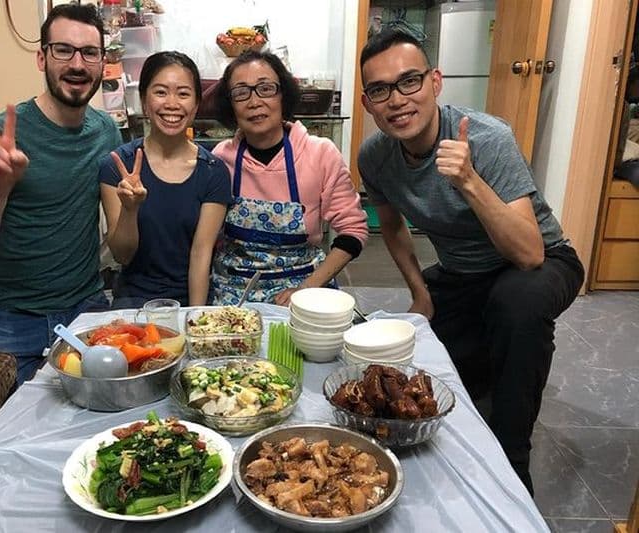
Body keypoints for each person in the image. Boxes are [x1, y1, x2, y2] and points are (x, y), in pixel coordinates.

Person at [357, 28, 584, 494]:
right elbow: (392, 227)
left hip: (540, 265)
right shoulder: (375, 157)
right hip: (461, 275)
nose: (397, 100)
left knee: (516, 306)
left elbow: (529, 252)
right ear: (367, 103)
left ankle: (514, 466)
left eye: (410, 82)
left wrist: (469, 180)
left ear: (435, 82)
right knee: (417, 364)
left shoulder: (486, 138)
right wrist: (420, 293)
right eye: (380, 90)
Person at [0, 4, 122, 386]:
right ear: (42, 57)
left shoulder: (106, 131)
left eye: (89, 53)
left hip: (85, 309)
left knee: (99, 428)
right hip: (7, 319)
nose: (77, 64)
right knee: (3, 439)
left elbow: (121, 241)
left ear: (101, 62)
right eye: (63, 50)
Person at [210, 51, 368, 306]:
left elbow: (353, 231)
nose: (254, 101)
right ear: (230, 105)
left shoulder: (320, 154)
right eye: (241, 92)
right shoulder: (221, 158)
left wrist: (307, 288)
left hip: (304, 289)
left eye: (266, 88)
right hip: (233, 293)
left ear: (284, 95)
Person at [99, 51, 231, 308]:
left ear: (196, 104)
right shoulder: (118, 166)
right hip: (133, 301)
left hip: (190, 297)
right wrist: (130, 209)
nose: (172, 103)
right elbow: (122, 256)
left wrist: (193, 319)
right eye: (160, 92)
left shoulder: (213, 171)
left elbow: (201, 254)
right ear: (144, 101)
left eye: (183, 94)